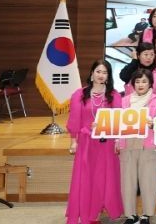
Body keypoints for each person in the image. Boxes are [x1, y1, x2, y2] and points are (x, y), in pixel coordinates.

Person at [66, 60, 123, 224]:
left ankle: (95, 214)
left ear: (108, 76)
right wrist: (73, 141)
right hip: (86, 143)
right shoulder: (79, 94)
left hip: (106, 144)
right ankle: (86, 212)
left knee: (103, 179)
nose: (101, 75)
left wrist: (118, 140)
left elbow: (118, 120)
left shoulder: (114, 95)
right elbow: (74, 119)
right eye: (98, 71)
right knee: (86, 179)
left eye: (105, 72)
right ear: (92, 74)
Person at [117, 69, 156, 224]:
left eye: (144, 81)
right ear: (133, 84)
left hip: (148, 145)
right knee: (127, 182)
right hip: (127, 144)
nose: (140, 84)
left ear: (150, 83)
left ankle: (146, 215)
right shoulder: (124, 101)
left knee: (149, 181)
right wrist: (117, 141)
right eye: (137, 81)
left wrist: (154, 124)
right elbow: (116, 123)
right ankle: (130, 215)